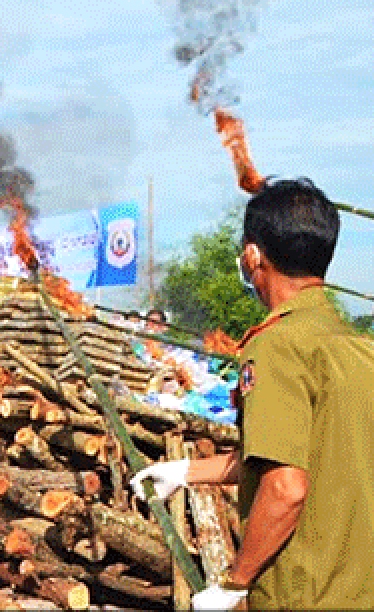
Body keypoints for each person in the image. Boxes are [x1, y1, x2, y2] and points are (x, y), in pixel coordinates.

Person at [130, 178, 374, 611]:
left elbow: (286, 487)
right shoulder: (358, 347)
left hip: (304, 596)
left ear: (253, 254)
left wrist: (234, 581)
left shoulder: (276, 345)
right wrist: (185, 471)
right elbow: (297, 455)